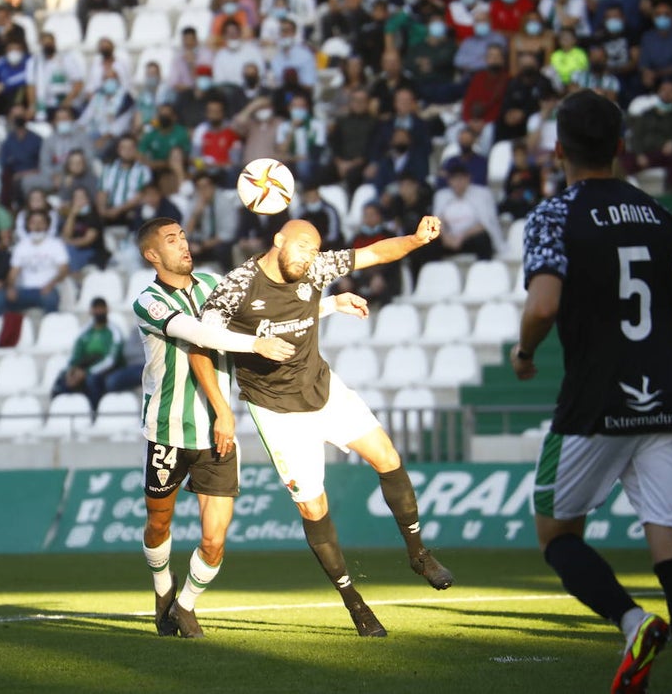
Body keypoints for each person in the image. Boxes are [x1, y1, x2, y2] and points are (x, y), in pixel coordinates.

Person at [510, 90, 672, 694]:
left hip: (596, 401)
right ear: (621, 148)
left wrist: (525, 353)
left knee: (555, 534)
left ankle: (631, 622)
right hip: (667, 401)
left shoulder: (554, 216)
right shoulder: (661, 217)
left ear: (558, 151)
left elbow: (543, 304)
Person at [188, 216, 454, 638]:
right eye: (302, 248)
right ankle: (355, 604)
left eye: (315, 250)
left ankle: (419, 554)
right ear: (278, 241)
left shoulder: (315, 268)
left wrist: (416, 240)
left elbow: (373, 253)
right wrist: (228, 395)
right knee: (314, 508)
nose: (308, 258)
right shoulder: (238, 284)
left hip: (324, 389)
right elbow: (200, 343)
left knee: (387, 456)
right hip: (277, 411)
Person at [133, 217, 296, 638]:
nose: (183, 244)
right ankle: (162, 588)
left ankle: (184, 606)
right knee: (158, 525)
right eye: (172, 240)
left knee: (215, 540)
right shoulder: (148, 301)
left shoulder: (212, 285)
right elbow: (196, 335)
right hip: (168, 432)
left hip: (217, 433)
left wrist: (329, 306)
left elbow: (265, 312)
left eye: (183, 236)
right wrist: (256, 344)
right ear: (153, 255)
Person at [51, 298, 125, 408]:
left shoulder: (114, 332)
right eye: (96, 308)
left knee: (91, 380)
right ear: (91, 311)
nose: (98, 312)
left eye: (101, 308)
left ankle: (94, 413)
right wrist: (71, 370)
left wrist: (86, 372)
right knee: (62, 381)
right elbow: (76, 355)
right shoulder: (85, 332)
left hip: (107, 368)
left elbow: (111, 360)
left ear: (107, 310)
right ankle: (61, 412)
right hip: (85, 365)